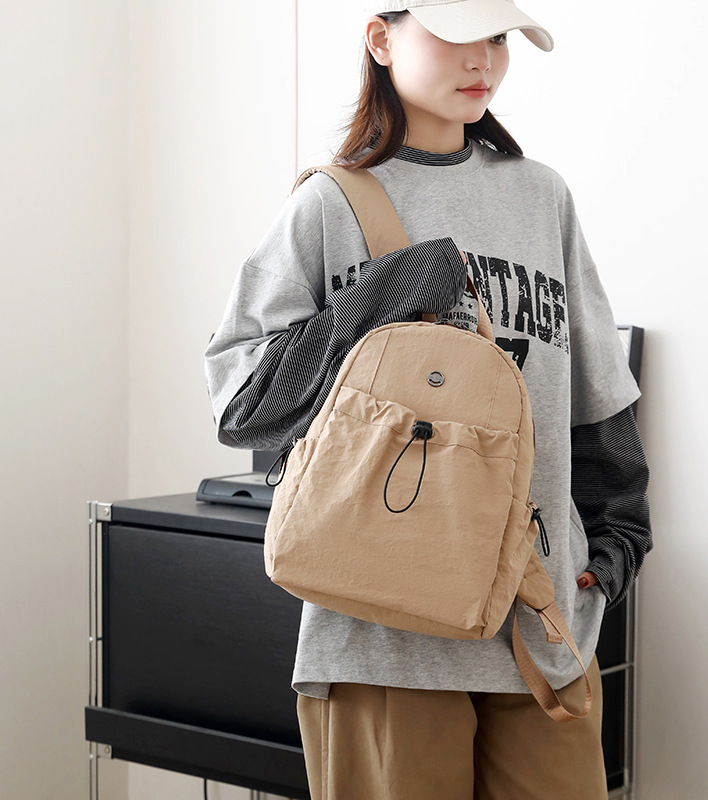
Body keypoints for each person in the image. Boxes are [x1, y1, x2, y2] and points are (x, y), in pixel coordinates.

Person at [204, 1, 653, 797]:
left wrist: (620, 541)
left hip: (540, 628)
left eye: (498, 37)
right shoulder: (330, 205)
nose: (484, 59)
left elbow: (594, 391)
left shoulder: (541, 197)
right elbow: (244, 403)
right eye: (456, 34)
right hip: (382, 640)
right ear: (381, 39)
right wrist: (388, 290)